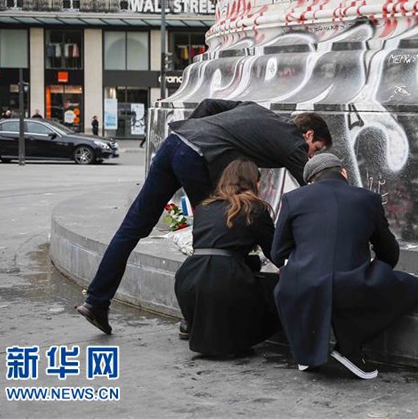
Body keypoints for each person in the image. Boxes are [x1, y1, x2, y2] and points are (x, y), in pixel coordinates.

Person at [75, 99, 332, 335]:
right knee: (218, 232)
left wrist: (192, 130)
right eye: (315, 149)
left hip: (176, 141)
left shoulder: (255, 109)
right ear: (308, 134)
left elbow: (208, 105)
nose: (309, 156)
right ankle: (195, 318)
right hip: (197, 157)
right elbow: (318, 188)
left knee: (133, 227)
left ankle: (96, 301)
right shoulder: (293, 141)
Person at [271, 153, 418, 379]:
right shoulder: (367, 199)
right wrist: (375, 273)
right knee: (414, 287)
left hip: (300, 286)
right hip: (352, 284)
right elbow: (388, 251)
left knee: (306, 283)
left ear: (311, 181)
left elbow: (277, 253)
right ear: (343, 172)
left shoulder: (293, 198)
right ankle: (349, 346)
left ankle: (308, 354)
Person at [175, 158, 280, 356]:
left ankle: (191, 322)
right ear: (251, 182)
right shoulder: (253, 208)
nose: (260, 185)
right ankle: (243, 333)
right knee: (278, 285)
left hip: (189, 277)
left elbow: (216, 248)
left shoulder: (205, 207)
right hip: (226, 281)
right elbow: (275, 252)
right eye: (259, 181)